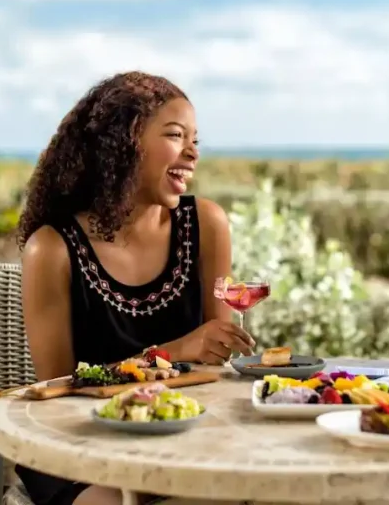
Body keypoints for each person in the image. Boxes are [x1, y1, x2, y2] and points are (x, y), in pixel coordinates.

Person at [16, 71, 255, 505]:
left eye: (195, 139)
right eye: (175, 135)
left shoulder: (206, 224)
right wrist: (175, 351)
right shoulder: (51, 250)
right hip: (80, 449)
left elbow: (215, 369)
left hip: (184, 437)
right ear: (122, 143)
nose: (193, 152)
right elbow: (60, 391)